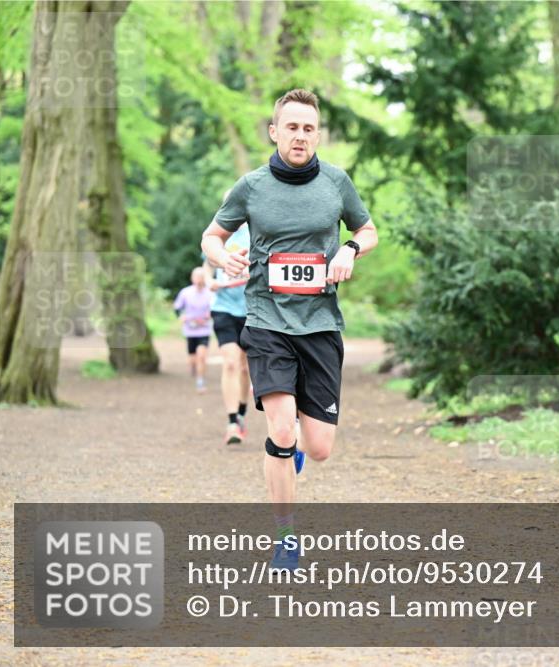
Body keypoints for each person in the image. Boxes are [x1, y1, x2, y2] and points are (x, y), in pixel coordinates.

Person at [200, 89, 378, 569]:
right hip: (266, 322)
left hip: (320, 326)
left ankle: (294, 451)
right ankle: (285, 535)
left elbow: (368, 230)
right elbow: (211, 236)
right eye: (292, 127)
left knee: (317, 449)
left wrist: (348, 250)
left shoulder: (337, 183)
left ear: (317, 134)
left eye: (309, 128)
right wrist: (223, 256)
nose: (300, 136)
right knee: (281, 431)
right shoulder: (252, 187)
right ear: (275, 132)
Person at [205, 217, 252, 445]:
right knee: (231, 362)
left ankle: (242, 412)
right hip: (223, 308)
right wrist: (208, 281)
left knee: (245, 367)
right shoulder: (217, 235)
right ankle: (232, 422)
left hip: (251, 309)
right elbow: (207, 265)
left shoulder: (255, 233)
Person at [173, 267, 214, 394]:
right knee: (193, 358)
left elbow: (216, 308)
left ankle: (200, 381)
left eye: (201, 277)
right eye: (196, 277)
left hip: (204, 330)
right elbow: (177, 308)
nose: (198, 280)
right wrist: (181, 316)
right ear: (192, 278)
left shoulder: (210, 293)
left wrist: (210, 314)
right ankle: (193, 367)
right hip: (190, 330)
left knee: (201, 356)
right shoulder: (185, 292)